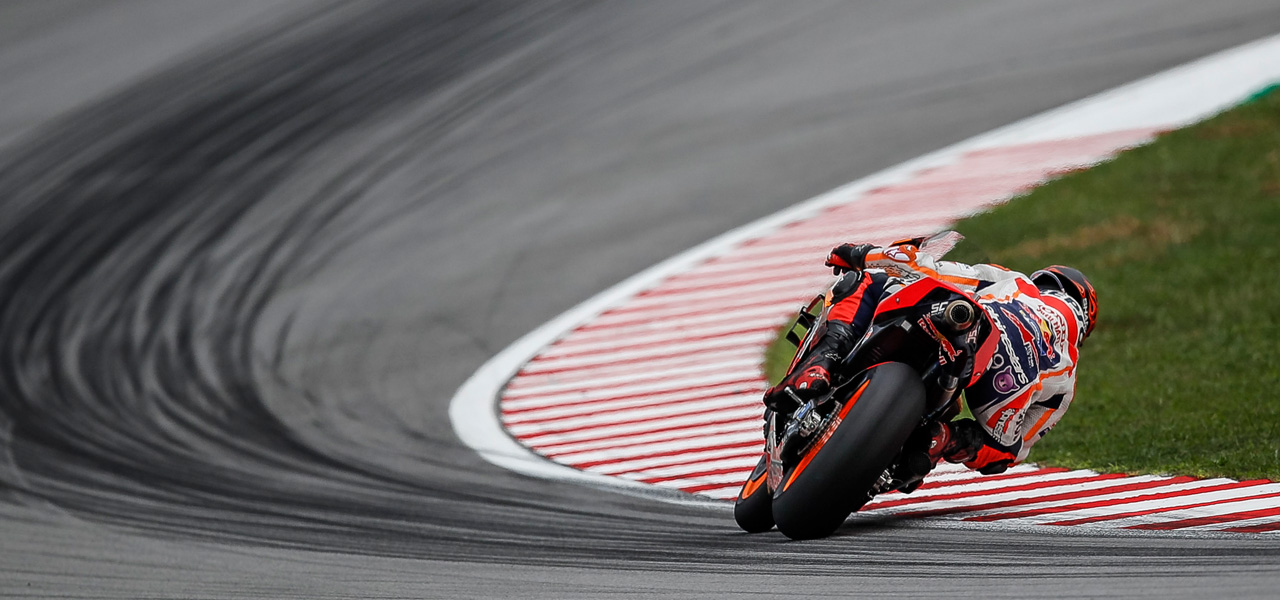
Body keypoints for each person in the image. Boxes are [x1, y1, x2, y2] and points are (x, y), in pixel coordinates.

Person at [763, 238, 1097, 477]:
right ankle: (938, 440)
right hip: (998, 388)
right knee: (998, 447)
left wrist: (859, 254)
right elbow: (1013, 452)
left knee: (869, 279)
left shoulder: (1021, 284)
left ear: (1047, 281)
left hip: (979, 328)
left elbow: (936, 270)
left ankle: (821, 363)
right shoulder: (1068, 377)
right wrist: (959, 442)